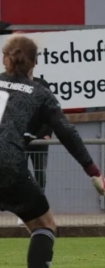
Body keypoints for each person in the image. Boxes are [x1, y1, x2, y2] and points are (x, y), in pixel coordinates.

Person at [0, 34, 105, 268]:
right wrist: (93, 171)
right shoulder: (40, 94)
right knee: (44, 225)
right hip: (7, 163)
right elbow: (67, 133)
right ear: (34, 62)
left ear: (5, 59)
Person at [18, 76, 52, 226]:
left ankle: (40, 212)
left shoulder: (42, 84)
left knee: (40, 176)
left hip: (40, 141)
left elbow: (51, 110)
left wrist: (47, 133)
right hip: (22, 140)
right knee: (21, 175)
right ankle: (23, 212)